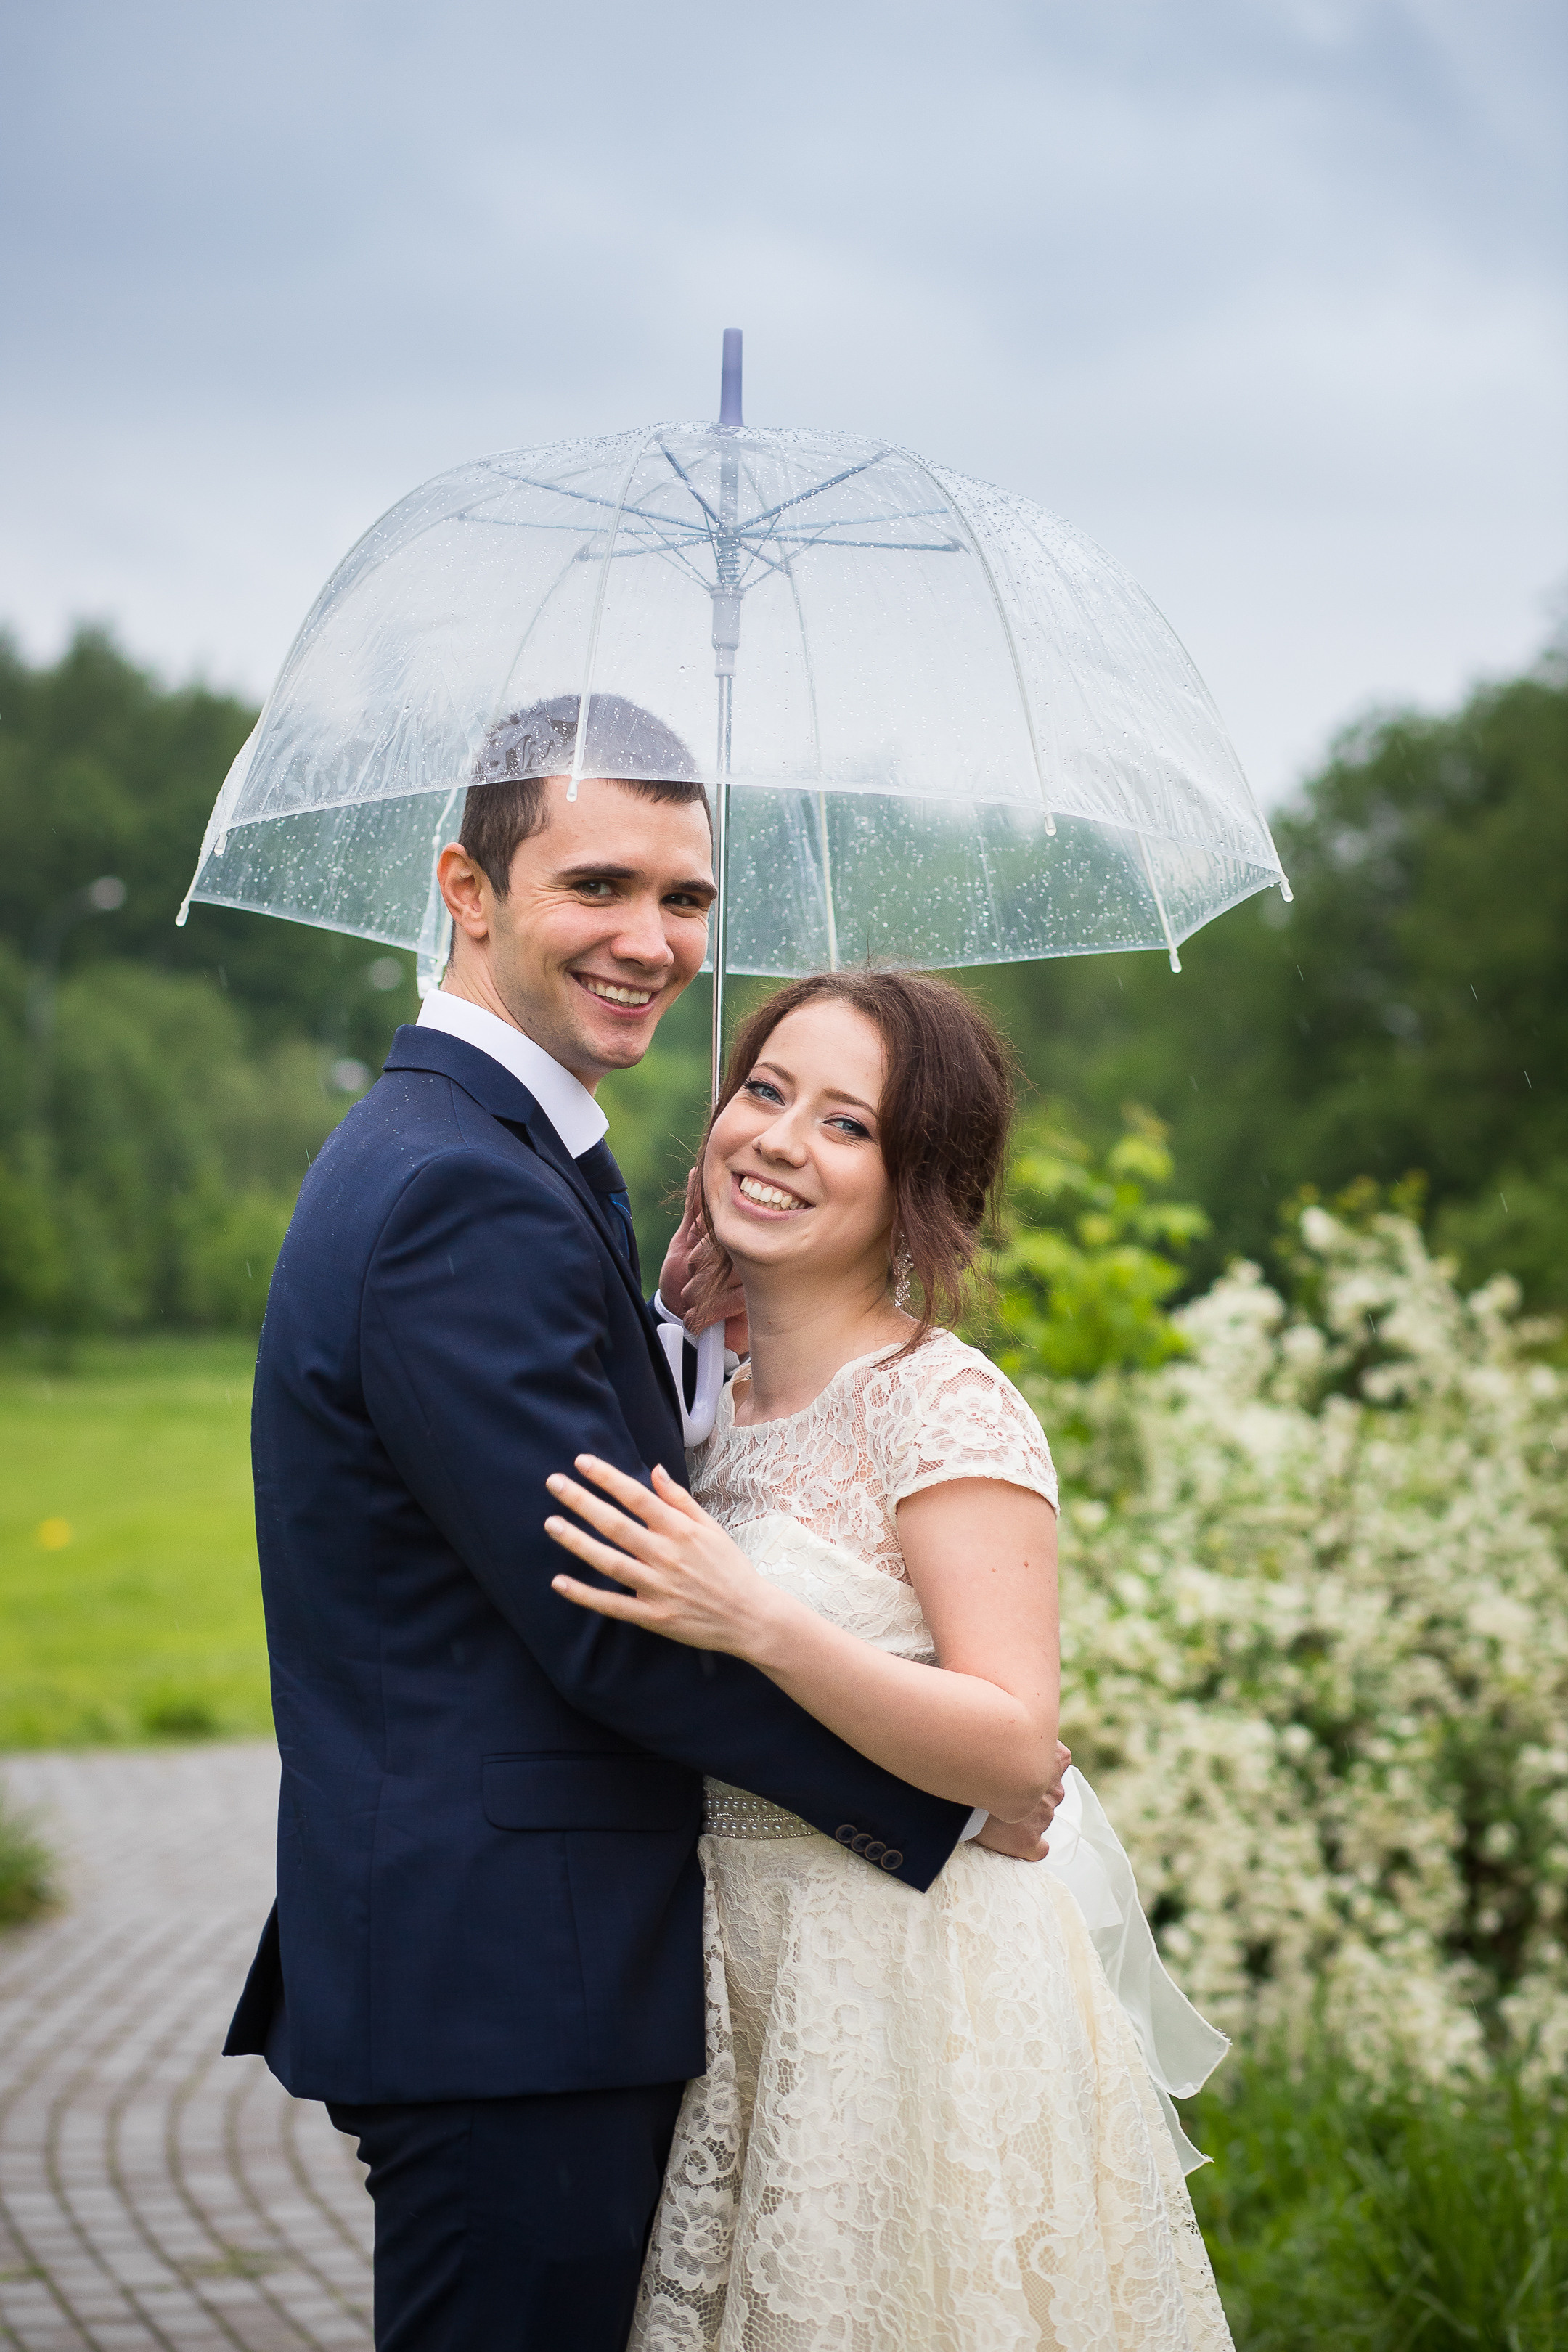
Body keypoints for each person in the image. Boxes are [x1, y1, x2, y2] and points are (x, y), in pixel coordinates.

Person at [223, 696, 1058, 2352]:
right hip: (512, 1979)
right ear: (467, 889)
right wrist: (946, 1795)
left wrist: (665, 1345)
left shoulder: (495, 1154)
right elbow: (607, 1619)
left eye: (686, 898)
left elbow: (569, 1480)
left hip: (534, 1967)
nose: (652, 939)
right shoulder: (460, 1184)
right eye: (597, 885)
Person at [546, 969, 1235, 2350]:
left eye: (846, 1123)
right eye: (763, 1091)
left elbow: (1014, 1746)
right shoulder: (707, 1403)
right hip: (739, 1979)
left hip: (913, 1985)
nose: (778, 1139)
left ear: (920, 1184)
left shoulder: (940, 1403)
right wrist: (672, 1331)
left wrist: (757, 1618)